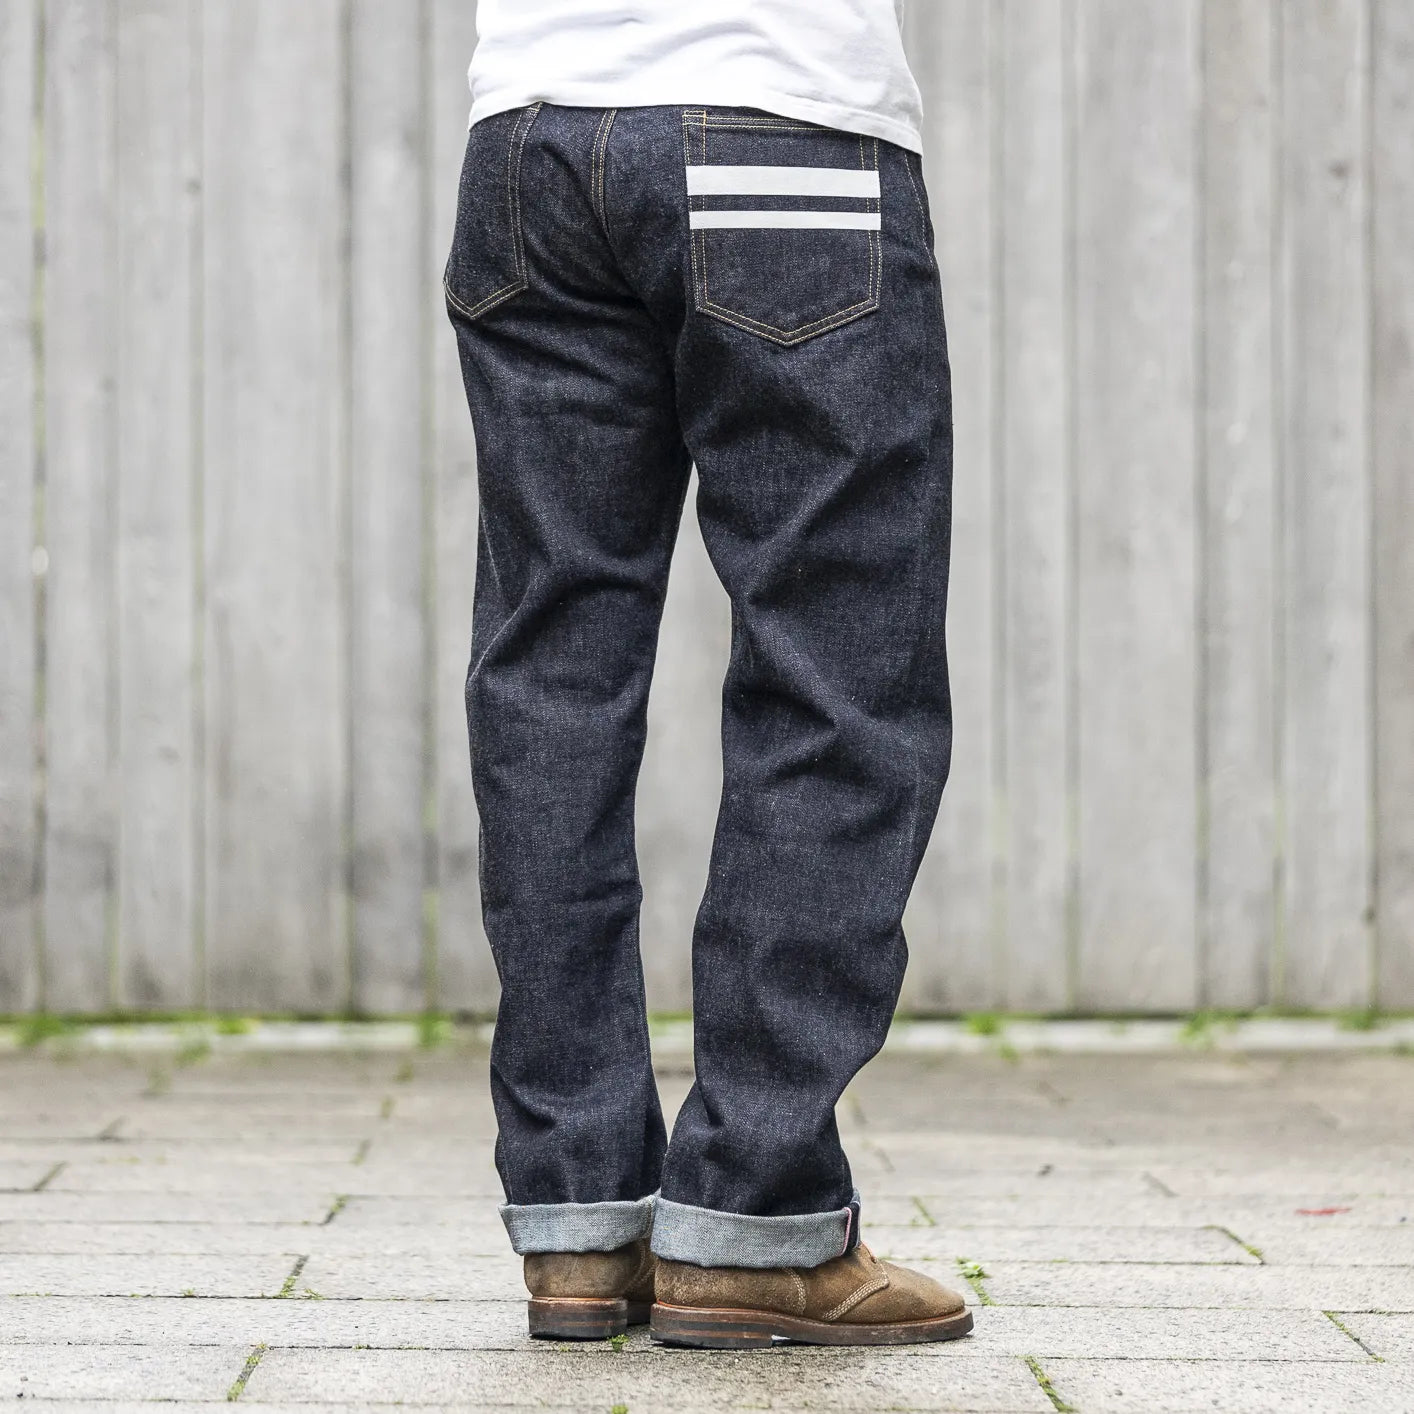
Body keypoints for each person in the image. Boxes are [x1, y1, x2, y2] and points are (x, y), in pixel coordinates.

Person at [445, 0, 966, 1349]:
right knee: (833, 673)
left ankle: (576, 1214)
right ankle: (753, 1212)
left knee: (550, 669)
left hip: (528, 151)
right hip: (779, 127)